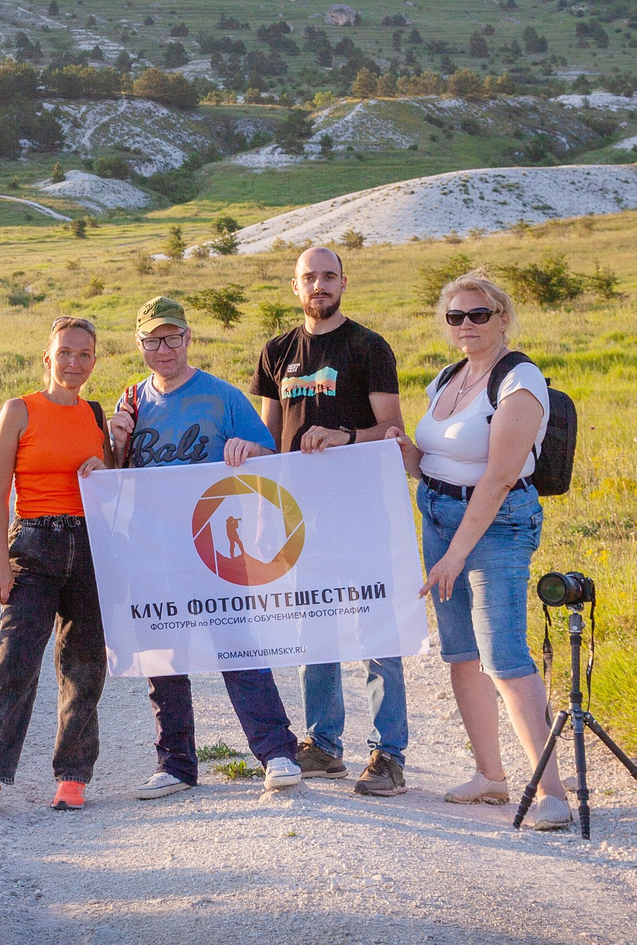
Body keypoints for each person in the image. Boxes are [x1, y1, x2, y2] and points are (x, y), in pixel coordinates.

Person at [103, 296, 304, 798]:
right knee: (163, 658)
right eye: (153, 340)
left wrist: (251, 449)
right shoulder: (132, 402)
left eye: (173, 337)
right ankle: (175, 765)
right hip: (152, 550)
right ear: (139, 344)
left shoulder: (221, 397)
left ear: (188, 337)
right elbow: (114, 478)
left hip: (214, 547)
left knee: (238, 647)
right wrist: (115, 442)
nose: (164, 349)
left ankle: (277, 752)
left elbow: (271, 457)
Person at [396, 271, 571, 829]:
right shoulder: (447, 377)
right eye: (456, 316)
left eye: (478, 314)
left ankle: (551, 792)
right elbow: (434, 460)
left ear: (502, 318)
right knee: (461, 652)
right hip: (439, 515)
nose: (466, 324)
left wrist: (454, 556)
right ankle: (490, 775)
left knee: (503, 655)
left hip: (496, 525)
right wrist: (405, 453)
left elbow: (497, 478)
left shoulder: (520, 379)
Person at [250, 245, 409, 796]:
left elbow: (392, 430)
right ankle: (323, 745)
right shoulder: (276, 351)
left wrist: (345, 437)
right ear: (295, 287)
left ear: (343, 282)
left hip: (361, 510)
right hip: (298, 515)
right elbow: (271, 439)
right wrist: (260, 498)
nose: (318, 285)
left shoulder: (368, 346)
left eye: (328, 276)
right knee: (312, 628)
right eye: (309, 277)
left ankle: (389, 755)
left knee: (374, 630)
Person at [0, 316, 111, 816]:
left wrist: (105, 466)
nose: (74, 362)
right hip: (32, 544)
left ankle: (72, 777)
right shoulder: (19, 410)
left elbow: (113, 481)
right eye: (65, 352)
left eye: (84, 354)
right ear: (47, 358)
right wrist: (0, 563)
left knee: (83, 667)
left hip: (88, 547)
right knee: (14, 663)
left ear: (94, 362)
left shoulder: (95, 415)